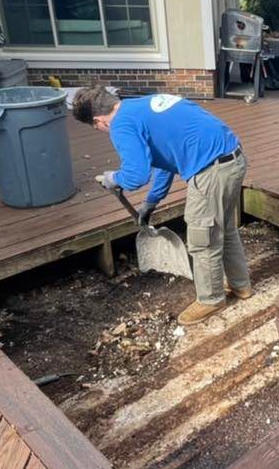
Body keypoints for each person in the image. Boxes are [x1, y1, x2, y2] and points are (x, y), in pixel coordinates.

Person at [72, 85, 251, 326]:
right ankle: (241, 286)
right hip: (233, 159)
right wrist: (151, 202)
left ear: (98, 120)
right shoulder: (140, 106)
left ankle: (211, 299)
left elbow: (136, 175)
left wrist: (112, 179)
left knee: (203, 238)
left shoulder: (120, 125)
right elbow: (165, 161)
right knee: (224, 228)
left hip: (211, 170)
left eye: (96, 128)